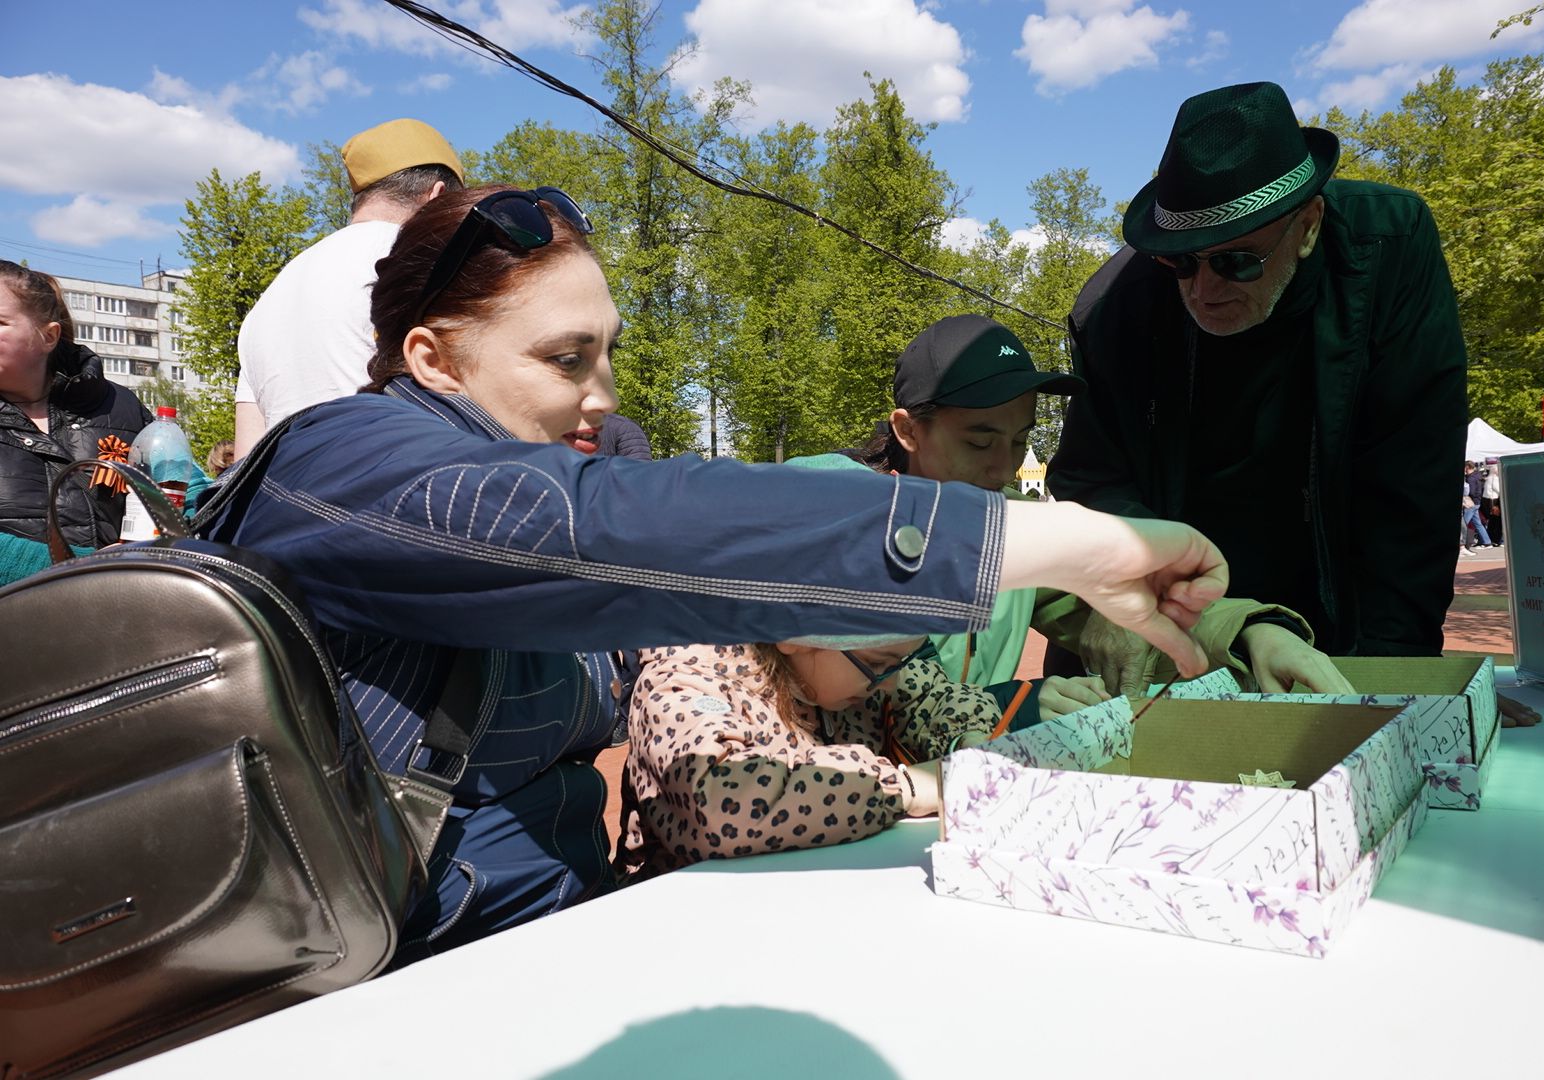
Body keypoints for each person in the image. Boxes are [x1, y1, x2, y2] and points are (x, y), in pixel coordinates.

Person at [195, 184, 1230, 956]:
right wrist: (1051, 542)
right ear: (430, 359)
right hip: (375, 1000)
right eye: (563, 360)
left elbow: (708, 584)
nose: (600, 396)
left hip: (548, 953)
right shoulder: (341, 459)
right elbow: (615, 529)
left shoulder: (554, 472)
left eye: (605, 354)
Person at [1046, 81, 1467, 688]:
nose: (1204, 291)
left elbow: (1413, 474)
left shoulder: (1389, 249)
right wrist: (1144, 600)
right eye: (1181, 262)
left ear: (1309, 224)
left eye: (1237, 261)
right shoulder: (1114, 305)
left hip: (1334, 613)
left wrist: (1395, 669)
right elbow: (1094, 480)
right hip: (1176, 622)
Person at [796, 313, 1350, 702]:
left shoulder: (1012, 528)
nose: (1003, 469)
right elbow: (848, 696)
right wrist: (1013, 709)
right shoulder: (828, 507)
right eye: (980, 441)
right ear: (908, 430)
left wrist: (1252, 633)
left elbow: (1128, 599)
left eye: (1019, 441)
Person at [618, 632, 998, 874]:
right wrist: (903, 788)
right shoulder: (681, 684)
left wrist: (967, 738)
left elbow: (929, 695)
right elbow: (720, 804)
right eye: (880, 666)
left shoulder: (844, 664)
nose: (890, 683)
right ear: (796, 634)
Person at [233, 118, 464, 454]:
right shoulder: (421, 262)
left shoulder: (273, 295)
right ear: (437, 197)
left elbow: (245, 456)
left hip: (285, 499)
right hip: (395, 493)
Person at [0, 261, 151, 585]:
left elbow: (184, 489)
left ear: (48, 336)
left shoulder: (120, 405)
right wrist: (90, 568)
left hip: (122, 617)